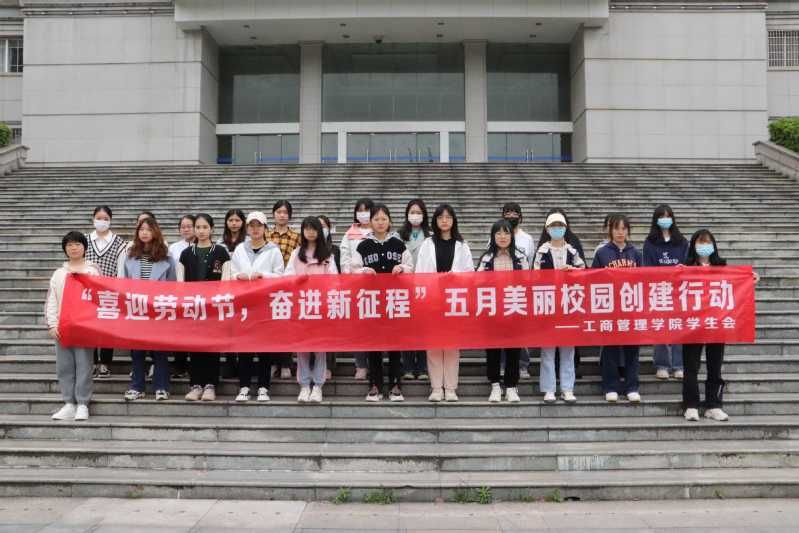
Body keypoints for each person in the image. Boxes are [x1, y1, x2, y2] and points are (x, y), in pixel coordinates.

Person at [681, 229, 760, 422]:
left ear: (713, 245)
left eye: (707, 242)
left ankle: (713, 405)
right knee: (691, 366)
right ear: (693, 245)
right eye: (700, 242)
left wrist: (749, 279)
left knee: (715, 366)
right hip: (693, 324)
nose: (704, 246)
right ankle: (691, 405)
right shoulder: (685, 267)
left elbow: (737, 284)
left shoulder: (722, 267)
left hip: (717, 323)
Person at [352, 204, 413, 402]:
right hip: (371, 302)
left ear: (389, 221)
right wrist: (363, 271)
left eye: (383, 219)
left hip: (395, 301)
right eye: (376, 219)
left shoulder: (398, 244)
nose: (380, 222)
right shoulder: (362, 245)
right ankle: (375, 385)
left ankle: (396, 385)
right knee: (374, 345)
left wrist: (402, 268)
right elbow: (352, 269)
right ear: (370, 222)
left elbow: (411, 267)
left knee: (395, 345)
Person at [415, 204, 474, 402]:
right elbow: (420, 272)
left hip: (454, 300)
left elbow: (470, 273)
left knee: (451, 346)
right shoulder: (427, 244)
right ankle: (436, 388)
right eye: (441, 217)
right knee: (433, 346)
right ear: (435, 221)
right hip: (432, 300)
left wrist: (454, 276)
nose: (445, 220)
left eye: (448, 217)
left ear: (453, 220)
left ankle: (450, 388)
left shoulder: (462, 245)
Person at [230, 211, 285, 402]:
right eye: (252, 226)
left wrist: (263, 275)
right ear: (247, 228)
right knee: (244, 347)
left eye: (259, 225)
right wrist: (238, 276)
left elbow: (280, 275)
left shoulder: (273, 250)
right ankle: (244, 386)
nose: (255, 229)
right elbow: (232, 273)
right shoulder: (239, 249)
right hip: (245, 304)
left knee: (264, 348)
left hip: (265, 304)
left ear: (265, 228)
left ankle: (263, 387)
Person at [45, 231, 100, 421]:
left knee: (84, 365)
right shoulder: (59, 274)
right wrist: (52, 325)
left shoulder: (92, 271)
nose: (73, 248)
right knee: (65, 366)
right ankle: (69, 403)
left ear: (84, 247)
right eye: (69, 245)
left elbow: (98, 299)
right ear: (65, 249)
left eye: (77, 244)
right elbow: (52, 300)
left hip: (85, 327)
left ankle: (83, 403)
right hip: (63, 327)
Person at [120, 217, 176, 401]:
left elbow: (173, 285)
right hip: (137, 309)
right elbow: (125, 283)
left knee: (160, 351)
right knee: (137, 351)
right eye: (141, 229)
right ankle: (137, 386)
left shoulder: (167, 257)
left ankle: (161, 386)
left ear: (155, 232)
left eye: (148, 229)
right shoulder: (130, 255)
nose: (144, 233)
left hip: (159, 309)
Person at [534, 212, 586, 404]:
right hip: (548, 304)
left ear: (565, 228)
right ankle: (549, 389)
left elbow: (584, 272)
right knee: (548, 350)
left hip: (569, 304)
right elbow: (535, 276)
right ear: (547, 229)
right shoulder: (541, 251)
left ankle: (567, 388)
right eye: (553, 226)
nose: (557, 229)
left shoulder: (572, 251)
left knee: (568, 350)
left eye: (560, 225)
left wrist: (573, 271)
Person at [178, 214, 231, 402]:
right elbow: (180, 282)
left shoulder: (221, 252)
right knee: (195, 346)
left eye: (204, 227)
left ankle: (210, 385)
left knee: (212, 346)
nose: (201, 231)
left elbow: (226, 280)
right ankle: (196, 385)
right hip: (193, 307)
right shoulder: (186, 254)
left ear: (212, 229)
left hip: (213, 308)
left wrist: (217, 301)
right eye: (198, 227)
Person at [286, 216, 339, 402]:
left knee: (319, 347)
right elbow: (287, 276)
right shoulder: (296, 253)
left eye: (313, 228)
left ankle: (317, 386)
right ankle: (304, 385)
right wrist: (296, 280)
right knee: (302, 347)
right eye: (306, 229)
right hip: (301, 305)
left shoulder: (327, 255)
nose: (310, 232)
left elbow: (334, 279)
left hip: (319, 305)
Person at [592, 214, 643, 404]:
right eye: (616, 228)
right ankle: (610, 386)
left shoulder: (636, 253)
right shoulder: (602, 253)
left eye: (623, 228)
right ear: (610, 230)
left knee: (632, 349)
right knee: (610, 349)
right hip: (610, 308)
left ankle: (632, 387)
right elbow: (593, 279)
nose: (620, 232)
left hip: (631, 307)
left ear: (628, 231)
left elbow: (645, 278)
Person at [477, 219, 528, 403]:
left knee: (513, 350)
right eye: (498, 233)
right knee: (493, 350)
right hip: (492, 310)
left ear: (512, 235)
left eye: (506, 233)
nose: (502, 237)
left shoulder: (521, 257)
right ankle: (495, 386)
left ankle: (511, 386)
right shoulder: (486, 258)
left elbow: (528, 281)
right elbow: (477, 281)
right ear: (493, 236)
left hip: (514, 308)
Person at [643, 204, 689, 381]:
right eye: (661, 216)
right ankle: (662, 364)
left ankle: (679, 365)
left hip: (678, 290)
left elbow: (688, 264)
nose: (665, 219)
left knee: (678, 327)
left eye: (668, 216)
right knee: (661, 326)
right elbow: (647, 267)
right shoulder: (650, 242)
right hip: (658, 290)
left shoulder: (681, 241)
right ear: (656, 220)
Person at [84, 206, 126, 378]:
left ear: (110, 220)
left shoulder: (119, 243)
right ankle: (92, 361)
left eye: (105, 218)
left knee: (108, 327)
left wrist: (119, 289)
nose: (102, 221)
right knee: (90, 327)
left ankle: (105, 363)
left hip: (110, 292)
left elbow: (121, 269)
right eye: (99, 218)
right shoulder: (85, 240)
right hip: (88, 291)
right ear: (93, 219)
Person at [339, 198, 375, 380]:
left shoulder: (379, 230)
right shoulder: (349, 234)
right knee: (359, 328)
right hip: (356, 286)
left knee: (376, 326)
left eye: (367, 210)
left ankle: (375, 364)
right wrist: (356, 273)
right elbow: (344, 260)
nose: (363, 213)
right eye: (360, 210)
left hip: (377, 286)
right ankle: (360, 365)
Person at [398, 199, 430, 380]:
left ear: (424, 215)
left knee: (424, 327)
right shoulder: (399, 235)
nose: (415, 215)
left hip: (425, 286)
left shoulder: (430, 235)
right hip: (405, 286)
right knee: (406, 328)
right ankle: (408, 367)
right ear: (407, 214)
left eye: (418, 212)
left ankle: (423, 367)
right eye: (412, 212)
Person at [269, 200, 301, 380]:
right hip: (269, 285)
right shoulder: (266, 234)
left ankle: (286, 363)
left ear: (289, 215)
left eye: (285, 212)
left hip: (289, 285)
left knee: (286, 324)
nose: (282, 215)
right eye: (279, 212)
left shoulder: (296, 236)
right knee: (271, 325)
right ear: (273, 214)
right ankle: (274, 362)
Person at [167, 214, 195, 378]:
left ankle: (195, 366)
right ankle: (180, 365)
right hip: (179, 293)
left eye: (189, 226)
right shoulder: (174, 248)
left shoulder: (204, 245)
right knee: (180, 331)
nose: (186, 229)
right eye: (183, 227)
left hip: (199, 294)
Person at [318, 214, 341, 380]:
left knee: (329, 333)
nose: (320, 229)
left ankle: (329, 366)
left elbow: (338, 274)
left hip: (330, 296)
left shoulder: (335, 250)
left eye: (323, 226)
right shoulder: (303, 250)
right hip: (311, 297)